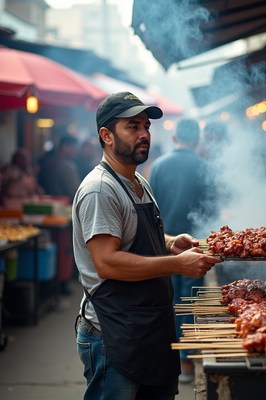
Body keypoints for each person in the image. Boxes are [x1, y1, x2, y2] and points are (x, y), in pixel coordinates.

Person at [72, 91, 222, 400]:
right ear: (106, 135)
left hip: (149, 328)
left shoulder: (140, 182)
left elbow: (135, 237)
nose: (144, 134)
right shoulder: (100, 190)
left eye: (146, 126)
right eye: (133, 126)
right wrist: (177, 265)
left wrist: (170, 243)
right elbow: (107, 262)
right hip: (114, 334)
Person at [148, 118, 218, 383]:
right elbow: (213, 210)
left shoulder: (158, 166)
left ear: (175, 138)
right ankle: (186, 362)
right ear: (197, 139)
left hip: (163, 244)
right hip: (194, 244)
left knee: (168, 300)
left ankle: (172, 359)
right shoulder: (205, 167)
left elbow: (150, 208)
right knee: (189, 302)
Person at [39, 133, 81, 203]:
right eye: (73, 147)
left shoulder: (48, 162)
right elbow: (75, 192)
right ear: (64, 146)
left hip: (47, 203)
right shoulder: (68, 166)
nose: (75, 151)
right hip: (65, 206)